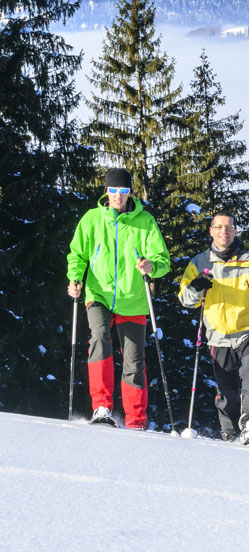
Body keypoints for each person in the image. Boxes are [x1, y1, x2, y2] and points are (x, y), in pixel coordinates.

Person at [66, 168, 170, 429]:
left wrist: (151, 267)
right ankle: (102, 407)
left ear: (130, 193)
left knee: (134, 361)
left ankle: (136, 421)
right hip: (98, 293)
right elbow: (77, 254)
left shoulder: (144, 221)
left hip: (133, 298)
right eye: (113, 191)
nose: (118, 196)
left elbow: (162, 260)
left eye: (123, 191)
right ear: (106, 192)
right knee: (99, 338)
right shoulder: (92, 219)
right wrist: (75, 278)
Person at [178, 210, 249, 445]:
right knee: (226, 391)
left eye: (229, 227)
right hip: (218, 335)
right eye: (219, 227)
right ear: (211, 231)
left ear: (235, 231)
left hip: (248, 330)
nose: (224, 231)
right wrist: (196, 286)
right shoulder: (199, 263)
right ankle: (230, 434)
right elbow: (185, 299)